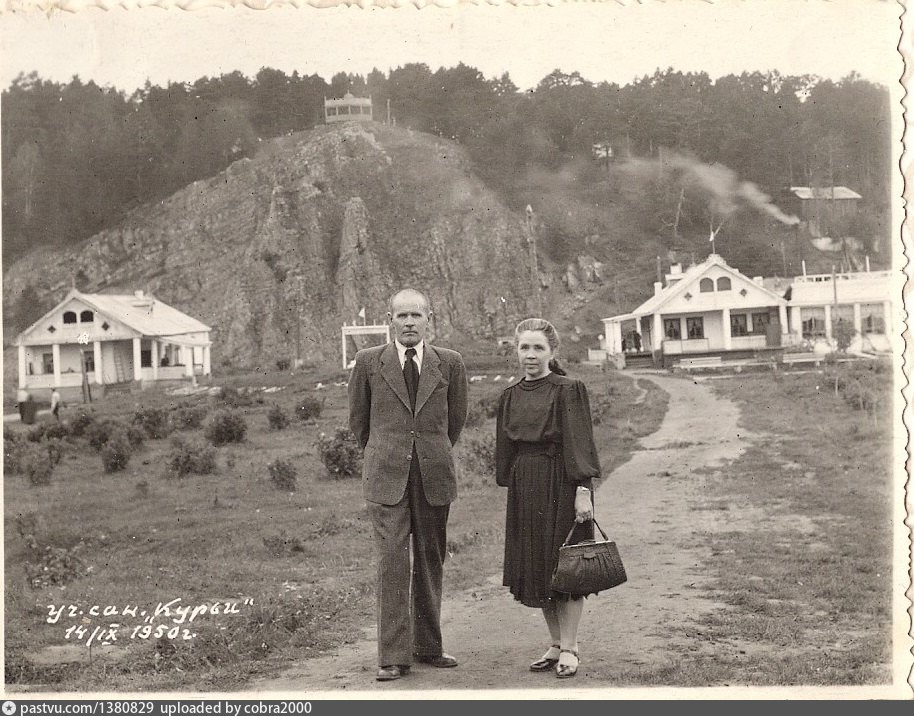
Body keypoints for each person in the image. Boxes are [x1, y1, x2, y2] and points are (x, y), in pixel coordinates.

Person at [348, 288, 469, 682]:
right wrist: (386, 453)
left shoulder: (450, 362)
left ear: (429, 318)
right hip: (386, 477)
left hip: (434, 476)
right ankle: (393, 656)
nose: (410, 322)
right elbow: (359, 422)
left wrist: (430, 452)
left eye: (417, 315)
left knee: (430, 560)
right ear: (390, 320)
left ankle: (429, 647)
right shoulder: (369, 362)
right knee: (392, 562)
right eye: (402, 315)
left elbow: (455, 421)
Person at [495, 318, 602, 679]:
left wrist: (583, 493)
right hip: (526, 488)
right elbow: (506, 451)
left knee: (566, 568)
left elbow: (580, 443)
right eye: (524, 347)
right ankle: (555, 643)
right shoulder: (509, 395)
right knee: (539, 567)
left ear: (552, 351)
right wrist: (516, 485)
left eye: (538, 348)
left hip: (562, 484)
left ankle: (570, 648)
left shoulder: (568, 390)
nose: (530, 354)